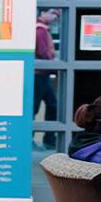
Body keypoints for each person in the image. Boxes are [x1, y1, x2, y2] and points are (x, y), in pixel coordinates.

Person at [34, 9, 60, 149]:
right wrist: (55, 63)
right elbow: (43, 52)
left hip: (42, 74)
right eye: (53, 13)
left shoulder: (41, 29)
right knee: (37, 106)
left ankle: (49, 138)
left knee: (52, 105)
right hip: (40, 75)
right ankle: (45, 139)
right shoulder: (40, 30)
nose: (55, 17)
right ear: (43, 12)